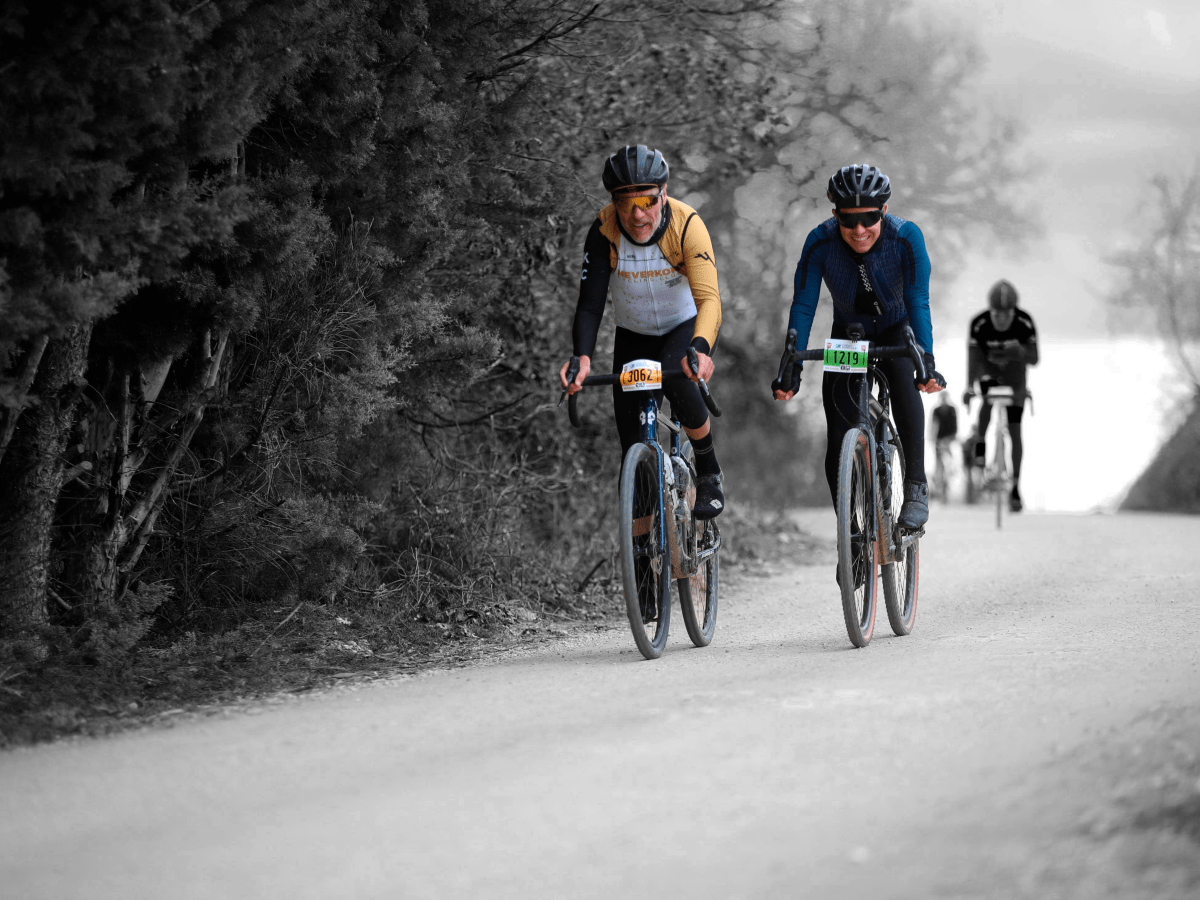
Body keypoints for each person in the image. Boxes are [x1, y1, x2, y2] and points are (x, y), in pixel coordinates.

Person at [773, 164, 946, 584]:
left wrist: (925, 359)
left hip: (897, 330)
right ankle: (850, 537)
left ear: (883, 210)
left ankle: (916, 486)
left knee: (904, 383)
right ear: (835, 214)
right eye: (848, 220)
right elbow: (804, 304)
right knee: (838, 437)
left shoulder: (906, 238)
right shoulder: (820, 242)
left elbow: (918, 300)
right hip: (848, 337)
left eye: (869, 218)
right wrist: (791, 363)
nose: (859, 229)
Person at [559, 144, 725, 518]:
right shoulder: (603, 231)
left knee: (679, 374)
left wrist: (700, 348)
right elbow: (590, 305)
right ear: (613, 202)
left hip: (683, 328)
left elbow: (709, 300)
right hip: (633, 335)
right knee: (632, 457)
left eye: (647, 201)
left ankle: (709, 469)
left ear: (663, 194)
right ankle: (641, 550)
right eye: (625, 202)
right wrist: (581, 357)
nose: (637, 214)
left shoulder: (686, 224)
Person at [964, 279, 1039, 512]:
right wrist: (969, 387)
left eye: (1008, 315)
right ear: (991, 311)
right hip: (989, 374)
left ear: (1014, 311)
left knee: (1015, 429)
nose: (1003, 320)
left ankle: (1015, 488)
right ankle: (980, 454)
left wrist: (1021, 351)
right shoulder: (979, 323)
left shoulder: (1025, 322)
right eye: (998, 315)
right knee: (984, 413)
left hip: (1015, 379)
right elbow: (973, 358)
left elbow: (1035, 358)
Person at [930, 392, 958, 502]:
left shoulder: (952, 410)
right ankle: (940, 490)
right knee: (939, 467)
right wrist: (934, 440)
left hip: (949, 441)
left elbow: (955, 426)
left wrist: (950, 439)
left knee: (949, 465)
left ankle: (947, 488)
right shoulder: (936, 410)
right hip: (939, 442)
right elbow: (933, 425)